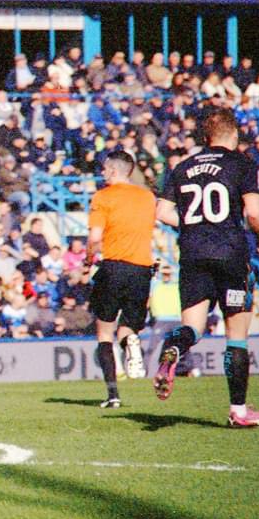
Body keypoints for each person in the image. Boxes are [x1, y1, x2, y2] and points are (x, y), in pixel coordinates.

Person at [154, 109, 259, 427]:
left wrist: (192, 226)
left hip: (192, 254)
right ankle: (238, 411)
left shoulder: (183, 166)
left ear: (206, 137)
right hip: (229, 255)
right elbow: (254, 214)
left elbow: (162, 211)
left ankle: (174, 345)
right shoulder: (241, 163)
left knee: (192, 327)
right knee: (237, 336)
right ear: (234, 135)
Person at [85, 151, 156, 409]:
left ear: (114, 171)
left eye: (105, 169)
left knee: (105, 331)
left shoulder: (103, 196)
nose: (102, 173)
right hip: (142, 268)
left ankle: (113, 394)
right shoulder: (147, 197)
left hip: (114, 266)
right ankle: (131, 343)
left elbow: (94, 237)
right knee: (128, 327)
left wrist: (88, 257)